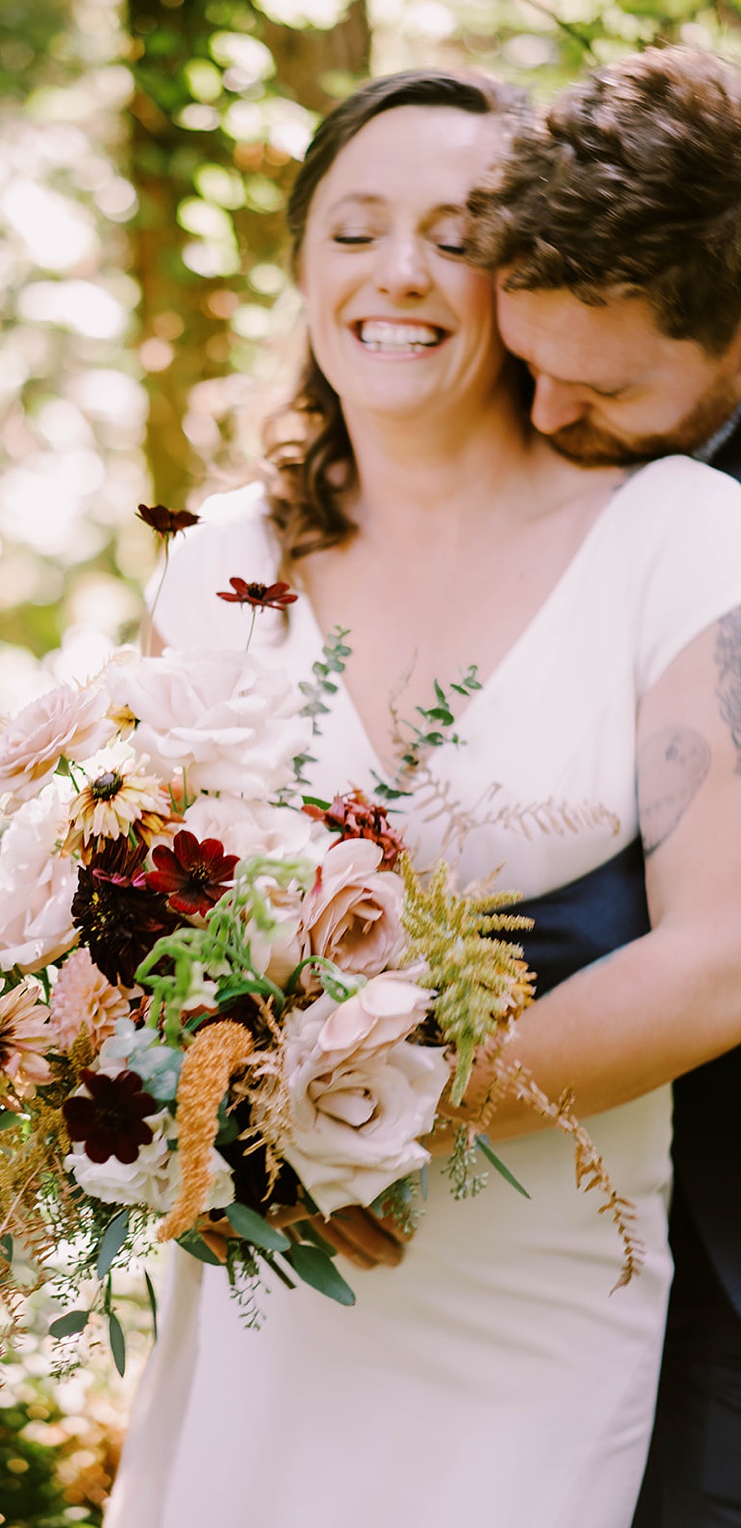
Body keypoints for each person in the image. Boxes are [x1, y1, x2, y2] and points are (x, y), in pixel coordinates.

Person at [104, 68, 741, 1528]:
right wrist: (183, 1118)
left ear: (523, 274)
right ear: (300, 264)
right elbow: (123, 909)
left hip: (535, 1296)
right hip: (264, 1289)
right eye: (352, 228)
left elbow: (724, 954)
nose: (398, 272)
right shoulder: (216, 559)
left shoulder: (682, 536)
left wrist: (361, 1128)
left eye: (455, 233)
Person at [466, 47, 741, 1528]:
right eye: (534, 365)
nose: (555, 416)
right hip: (586, 1228)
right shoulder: (556, 466)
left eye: (611, 383)